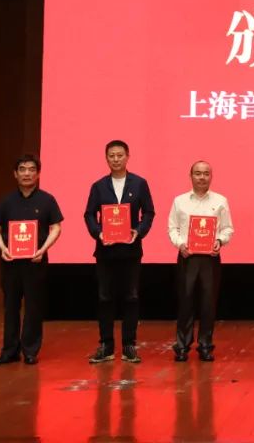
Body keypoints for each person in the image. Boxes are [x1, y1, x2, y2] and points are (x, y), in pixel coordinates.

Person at [83, 139, 156, 364]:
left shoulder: (139, 183)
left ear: (127, 157)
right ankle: (106, 345)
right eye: (111, 156)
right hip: (105, 252)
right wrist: (98, 233)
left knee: (131, 297)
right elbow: (89, 214)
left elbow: (149, 212)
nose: (116, 159)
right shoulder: (98, 186)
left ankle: (129, 345)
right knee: (105, 297)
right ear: (106, 158)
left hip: (131, 251)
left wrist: (139, 231)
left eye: (120, 155)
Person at [0, 154, 64, 365]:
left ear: (38, 174)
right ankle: (9, 351)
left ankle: (30, 350)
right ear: (15, 174)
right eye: (22, 169)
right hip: (10, 262)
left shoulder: (47, 200)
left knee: (34, 307)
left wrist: (43, 249)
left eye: (31, 169)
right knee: (10, 306)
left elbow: (56, 227)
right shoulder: (7, 201)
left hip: (36, 262)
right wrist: (3, 247)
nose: (27, 173)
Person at [167, 160, 234, 362]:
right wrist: (180, 244)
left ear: (211, 177)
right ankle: (182, 346)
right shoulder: (180, 201)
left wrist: (219, 241)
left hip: (210, 259)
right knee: (185, 302)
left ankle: (205, 346)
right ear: (191, 176)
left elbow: (227, 228)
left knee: (208, 304)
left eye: (206, 173)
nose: (202, 177)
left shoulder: (220, 201)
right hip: (187, 257)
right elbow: (172, 228)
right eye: (197, 173)